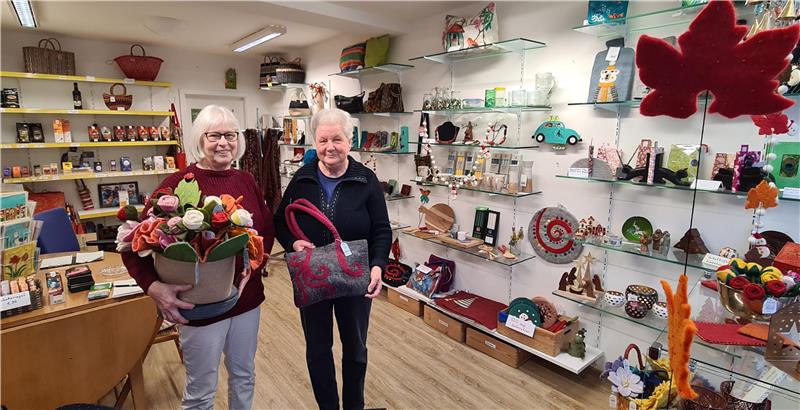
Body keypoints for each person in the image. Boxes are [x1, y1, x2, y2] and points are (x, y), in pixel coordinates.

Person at [121, 105, 275, 410]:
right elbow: (131, 244)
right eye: (214, 135)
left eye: (230, 135)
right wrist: (153, 287)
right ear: (199, 140)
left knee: (244, 376)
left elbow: (266, 231)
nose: (223, 143)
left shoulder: (246, 180)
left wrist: (253, 266)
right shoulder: (177, 185)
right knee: (201, 391)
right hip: (199, 305)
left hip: (247, 302)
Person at [273, 108, 391, 410]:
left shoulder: (366, 179)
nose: (330, 147)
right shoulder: (302, 178)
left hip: (355, 278)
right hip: (313, 277)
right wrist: (291, 241)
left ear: (350, 141)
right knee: (317, 348)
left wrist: (377, 265)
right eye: (323, 140)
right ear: (315, 142)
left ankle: (354, 406)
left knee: (355, 347)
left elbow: (381, 229)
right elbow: (279, 221)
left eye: (337, 139)